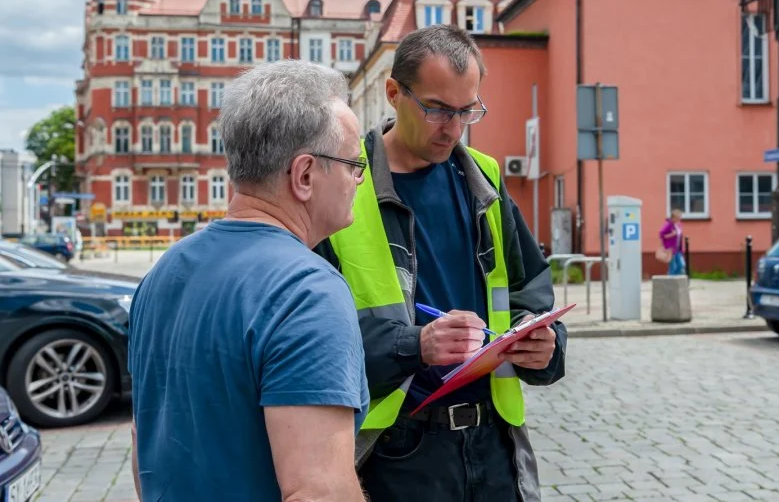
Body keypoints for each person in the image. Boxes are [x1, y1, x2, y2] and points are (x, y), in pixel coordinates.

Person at [314, 25, 568, 502]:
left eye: (467, 111)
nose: (452, 128)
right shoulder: (344, 183)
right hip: (398, 451)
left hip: (493, 442)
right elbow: (316, 338)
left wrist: (543, 343)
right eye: (436, 109)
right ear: (394, 93)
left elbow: (527, 288)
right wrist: (415, 345)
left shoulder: (484, 176)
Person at [128, 60, 370, 502]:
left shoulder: (163, 273)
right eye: (354, 164)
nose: (358, 179)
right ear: (304, 175)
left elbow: (145, 444)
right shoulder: (306, 292)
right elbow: (319, 492)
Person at [659, 209, 685, 275]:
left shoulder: (679, 225)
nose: (679, 219)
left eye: (680, 217)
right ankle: (671, 278)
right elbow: (661, 234)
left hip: (678, 249)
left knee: (681, 265)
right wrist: (672, 234)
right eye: (678, 217)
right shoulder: (668, 224)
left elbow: (679, 237)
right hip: (670, 249)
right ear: (673, 217)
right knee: (672, 266)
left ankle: (673, 277)